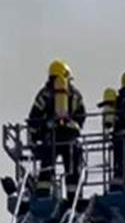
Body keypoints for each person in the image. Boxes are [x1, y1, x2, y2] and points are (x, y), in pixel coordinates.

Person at [28, 60, 86, 197]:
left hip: (51, 137)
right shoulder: (74, 94)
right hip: (70, 138)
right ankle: (74, 198)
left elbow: (34, 116)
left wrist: (35, 136)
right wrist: (75, 125)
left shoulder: (44, 94)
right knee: (72, 169)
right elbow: (82, 114)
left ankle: (43, 194)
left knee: (47, 167)